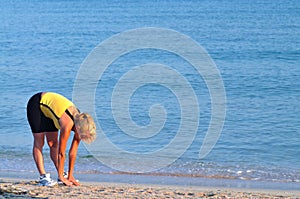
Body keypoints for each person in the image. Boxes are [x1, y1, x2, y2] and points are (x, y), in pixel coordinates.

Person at [26, 92, 96, 186]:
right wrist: (62, 178)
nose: (81, 137)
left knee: (53, 143)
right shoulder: (67, 124)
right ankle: (43, 177)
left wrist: (70, 176)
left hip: (50, 112)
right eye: (82, 135)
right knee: (39, 142)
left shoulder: (82, 122)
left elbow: (72, 153)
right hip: (37, 104)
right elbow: (61, 153)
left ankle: (61, 174)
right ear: (78, 128)